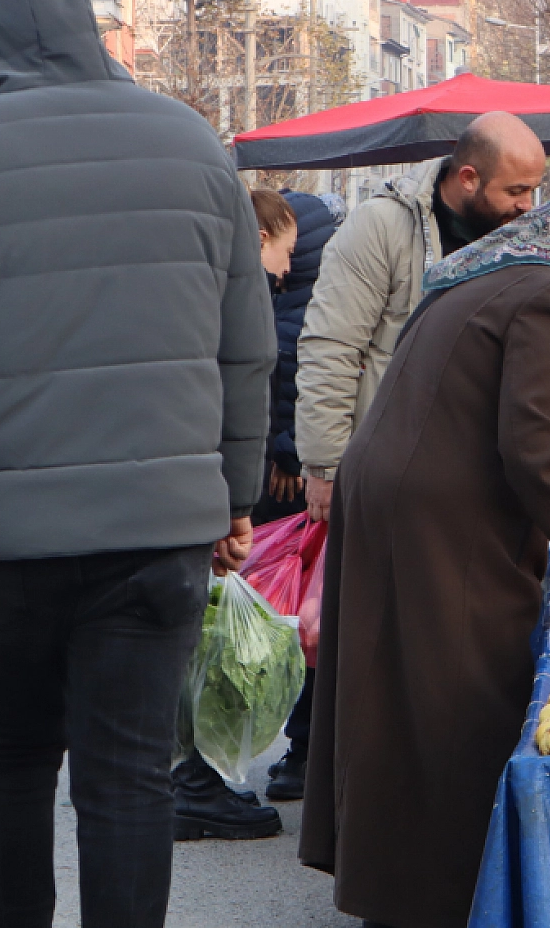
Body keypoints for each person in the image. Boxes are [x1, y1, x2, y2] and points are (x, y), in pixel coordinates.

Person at [299, 184, 550, 928]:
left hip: (397, 494)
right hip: (440, 514)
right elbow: (529, 451)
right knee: (456, 697)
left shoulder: (497, 269)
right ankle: (440, 893)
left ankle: (393, 883)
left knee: (392, 696)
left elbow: (495, 408)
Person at [0, 0, 275, 928]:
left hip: (6, 541)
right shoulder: (193, 144)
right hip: (156, 532)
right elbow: (246, 348)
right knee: (127, 779)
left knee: (10, 772)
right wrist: (235, 495)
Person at [296, 111, 543, 523]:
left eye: (533, 190)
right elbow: (331, 347)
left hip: (484, 476)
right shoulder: (382, 225)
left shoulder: (517, 235)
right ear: (468, 178)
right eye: (516, 190)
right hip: (395, 473)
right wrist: (324, 467)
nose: (527, 205)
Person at [167, 192, 303, 842]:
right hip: (194, 481)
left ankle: (180, 778)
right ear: (261, 236)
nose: (285, 269)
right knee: (192, 635)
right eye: (285, 251)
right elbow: (244, 379)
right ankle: (194, 781)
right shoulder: (230, 285)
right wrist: (236, 502)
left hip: (144, 481)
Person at [249, 188, 339, 805]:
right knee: (302, 618)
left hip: (284, 483)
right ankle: (300, 748)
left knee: (292, 617)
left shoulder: (285, 300)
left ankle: (299, 747)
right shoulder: (302, 302)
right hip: (290, 485)